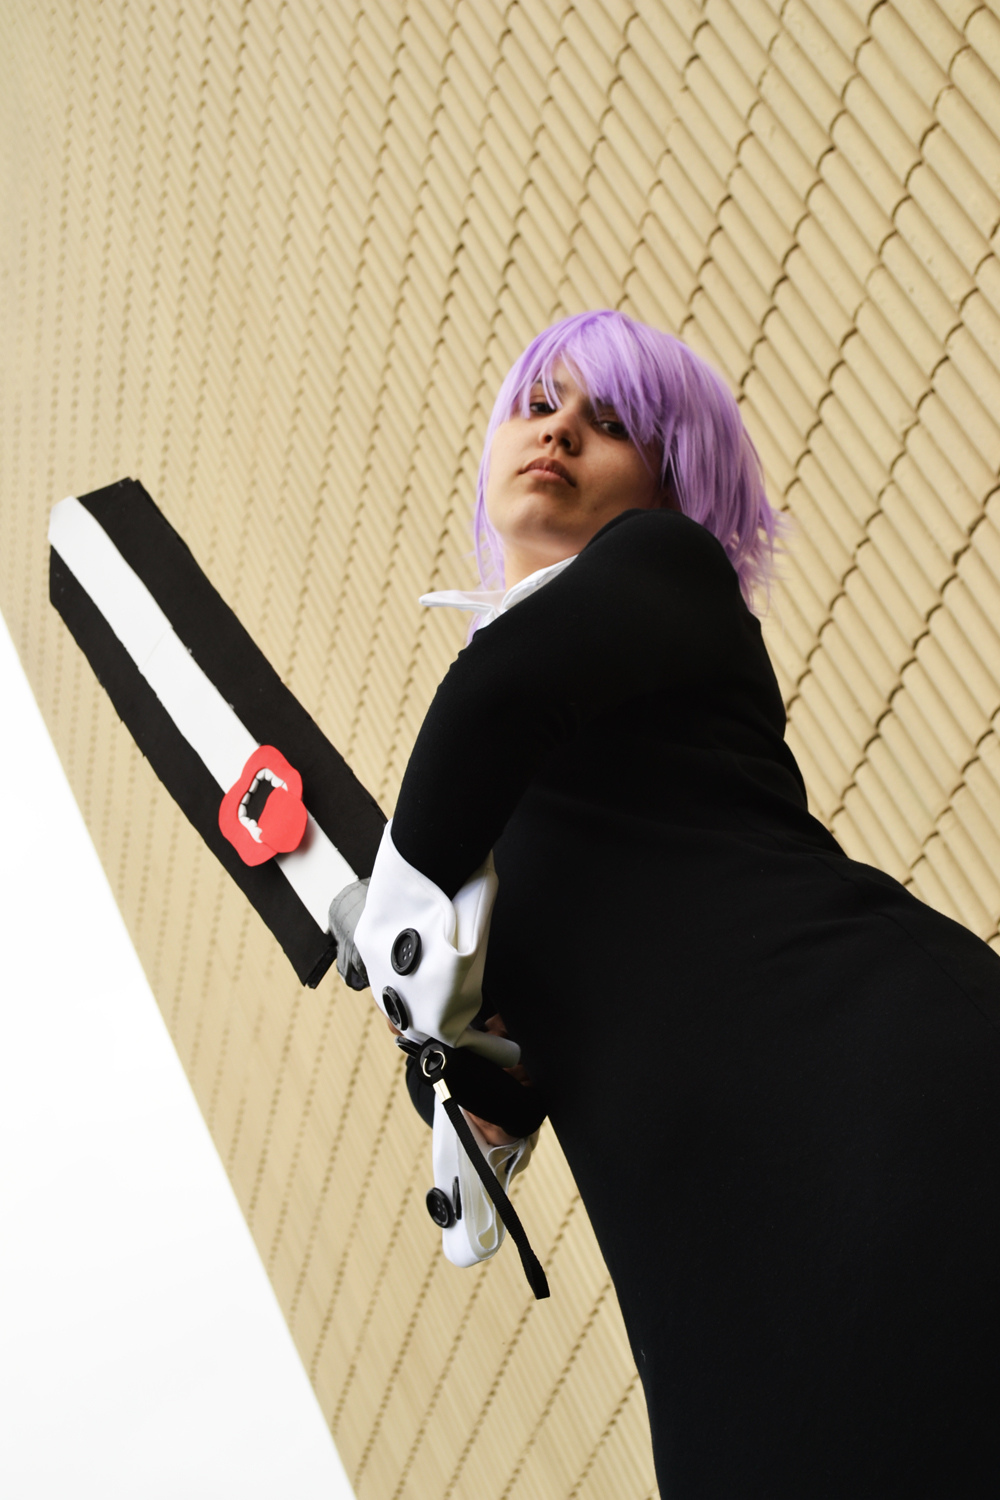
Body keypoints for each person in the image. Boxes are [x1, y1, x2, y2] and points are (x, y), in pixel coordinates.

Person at [347, 310, 1000, 1497]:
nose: (559, 432)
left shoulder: (662, 568)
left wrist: (397, 915)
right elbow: (512, 1042)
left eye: (609, 423)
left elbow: (502, 697)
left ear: (669, 483)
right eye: (538, 404)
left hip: (874, 1092)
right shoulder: (501, 800)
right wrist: (472, 1084)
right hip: (714, 1244)